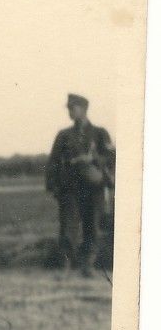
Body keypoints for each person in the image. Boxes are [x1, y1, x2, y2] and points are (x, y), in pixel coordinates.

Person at [46, 93, 115, 277]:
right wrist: (52, 185)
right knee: (68, 228)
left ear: (84, 109)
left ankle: (88, 266)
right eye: (69, 108)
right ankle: (65, 267)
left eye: (72, 108)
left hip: (94, 188)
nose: (70, 111)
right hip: (70, 188)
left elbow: (111, 156)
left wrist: (92, 158)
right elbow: (53, 161)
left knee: (92, 226)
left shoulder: (100, 133)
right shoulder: (64, 135)